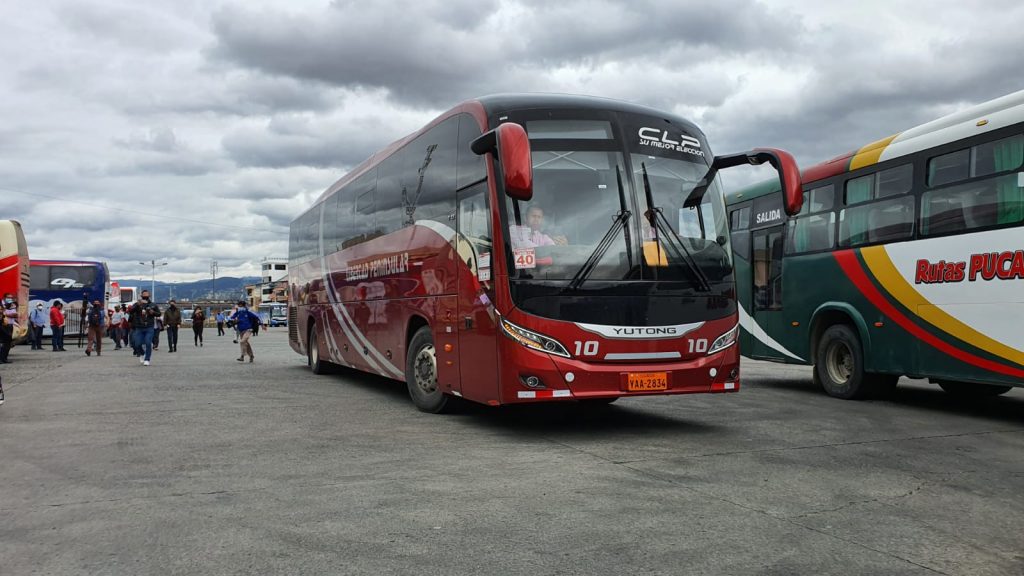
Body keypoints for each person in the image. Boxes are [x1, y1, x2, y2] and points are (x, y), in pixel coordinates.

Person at [128, 290, 160, 366]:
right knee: (137, 344)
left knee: (148, 342)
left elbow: (158, 314)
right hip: (139, 326)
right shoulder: (137, 304)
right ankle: (142, 353)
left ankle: (147, 359)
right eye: (144, 294)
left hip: (149, 326)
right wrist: (137, 305)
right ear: (141, 295)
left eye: (147, 294)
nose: (145, 295)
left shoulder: (153, 305)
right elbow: (130, 311)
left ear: (149, 295)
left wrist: (153, 312)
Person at [0, 295, 17, 364]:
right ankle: (1, 359)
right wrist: (5, 313)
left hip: (10, 325)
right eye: (8, 297)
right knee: (5, 342)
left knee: (8, 342)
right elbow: (3, 313)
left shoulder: (12, 305)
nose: (10, 299)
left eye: (10, 297)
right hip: (3, 326)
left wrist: (5, 314)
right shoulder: (3, 305)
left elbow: (16, 315)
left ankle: (4, 358)